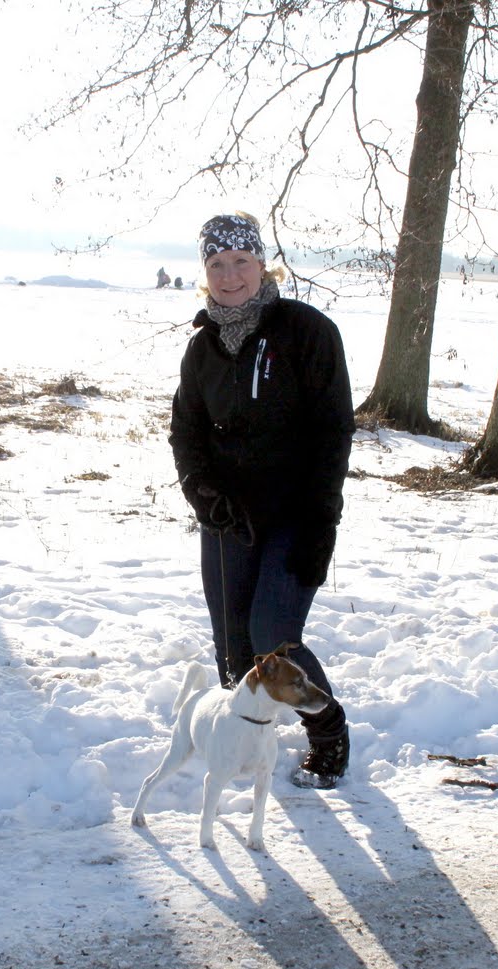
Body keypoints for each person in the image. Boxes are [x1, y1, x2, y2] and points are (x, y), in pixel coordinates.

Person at [168, 212, 355, 788]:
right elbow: (186, 431)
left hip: (297, 516)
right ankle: (246, 743)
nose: (229, 276)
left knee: (273, 634)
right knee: (234, 649)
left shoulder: (306, 331)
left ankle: (329, 734)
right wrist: (202, 492)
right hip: (228, 520)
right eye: (216, 265)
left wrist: (321, 518)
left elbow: (334, 430)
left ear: (262, 264)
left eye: (240, 262)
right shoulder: (202, 348)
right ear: (204, 273)